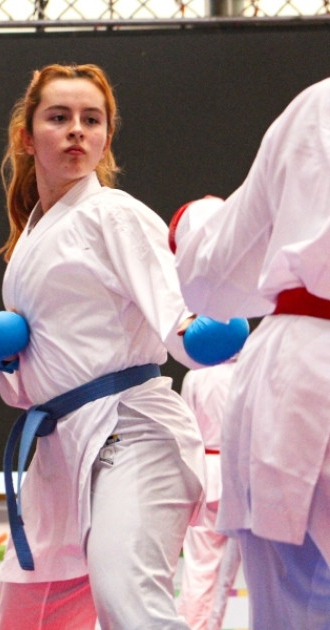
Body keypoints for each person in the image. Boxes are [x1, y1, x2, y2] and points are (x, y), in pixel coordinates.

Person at [0, 64, 205, 629]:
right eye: (58, 118)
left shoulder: (114, 213)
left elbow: (172, 306)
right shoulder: (30, 237)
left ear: (106, 136)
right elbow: (38, 374)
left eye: (92, 119)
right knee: (30, 612)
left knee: (126, 598)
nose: (76, 130)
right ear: (27, 136)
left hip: (131, 430)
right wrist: (9, 364)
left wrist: (194, 334)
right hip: (59, 449)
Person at [171, 77, 330, 629]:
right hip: (291, 377)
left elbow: (210, 277)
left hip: (293, 376)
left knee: (294, 608)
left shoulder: (314, 106)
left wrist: (191, 229)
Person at [176, 358, 242, 630]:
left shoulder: (195, 376)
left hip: (205, 472)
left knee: (199, 569)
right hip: (239, 475)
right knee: (228, 574)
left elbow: (184, 429)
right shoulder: (245, 372)